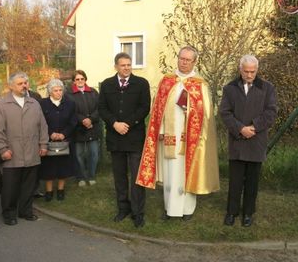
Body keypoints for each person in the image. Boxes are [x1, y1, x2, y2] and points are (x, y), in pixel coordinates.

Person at [136, 46, 219, 221]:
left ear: (194, 62)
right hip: (168, 135)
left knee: (185, 172)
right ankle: (169, 209)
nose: (184, 62)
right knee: (170, 173)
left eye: (188, 60)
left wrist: (189, 107)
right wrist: (159, 129)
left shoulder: (199, 85)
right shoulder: (167, 81)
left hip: (190, 138)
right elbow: (158, 108)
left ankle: (187, 210)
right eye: (181, 58)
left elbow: (205, 113)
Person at [219, 55, 277, 227]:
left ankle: (248, 214)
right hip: (237, 141)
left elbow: (271, 112)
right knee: (235, 181)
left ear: (257, 70)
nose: (249, 75)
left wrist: (253, 127)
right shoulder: (230, 88)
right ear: (240, 69)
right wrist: (240, 129)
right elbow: (225, 112)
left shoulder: (267, 88)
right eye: (246, 71)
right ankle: (231, 212)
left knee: (252, 181)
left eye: (253, 71)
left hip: (256, 141)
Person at [99, 53, 150, 228]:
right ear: (116, 67)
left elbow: (144, 107)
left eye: (129, 65)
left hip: (134, 137)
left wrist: (127, 124)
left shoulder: (141, 84)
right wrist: (114, 124)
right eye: (123, 65)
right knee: (119, 176)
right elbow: (102, 108)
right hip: (115, 138)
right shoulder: (106, 85)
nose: (127, 68)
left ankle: (138, 212)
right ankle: (123, 208)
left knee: (136, 177)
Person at [0, 72, 48, 226]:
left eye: (26, 83)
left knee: (29, 185)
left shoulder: (34, 103)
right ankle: (9, 213)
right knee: (10, 187)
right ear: (10, 86)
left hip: (32, 152)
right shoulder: (2, 105)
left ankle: (25, 211)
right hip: (12, 153)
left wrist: (43, 144)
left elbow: (43, 126)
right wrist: (2, 149)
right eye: (20, 83)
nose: (24, 86)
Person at [39, 79, 77, 201]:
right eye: (55, 90)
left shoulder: (70, 103)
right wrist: (51, 134)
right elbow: (40, 122)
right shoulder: (42, 104)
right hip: (48, 140)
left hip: (64, 140)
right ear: (50, 92)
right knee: (48, 167)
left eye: (60, 90)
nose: (59, 92)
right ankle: (49, 191)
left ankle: (61, 189)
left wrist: (63, 134)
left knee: (63, 166)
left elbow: (73, 121)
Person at [67, 70, 101, 187]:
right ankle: (80, 177)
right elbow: (71, 111)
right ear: (73, 81)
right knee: (79, 155)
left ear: (85, 79)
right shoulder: (69, 94)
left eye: (82, 79)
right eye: (77, 79)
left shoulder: (93, 92)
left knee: (94, 153)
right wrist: (83, 120)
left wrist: (91, 119)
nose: (80, 81)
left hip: (93, 127)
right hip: (78, 129)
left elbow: (100, 107)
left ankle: (91, 176)